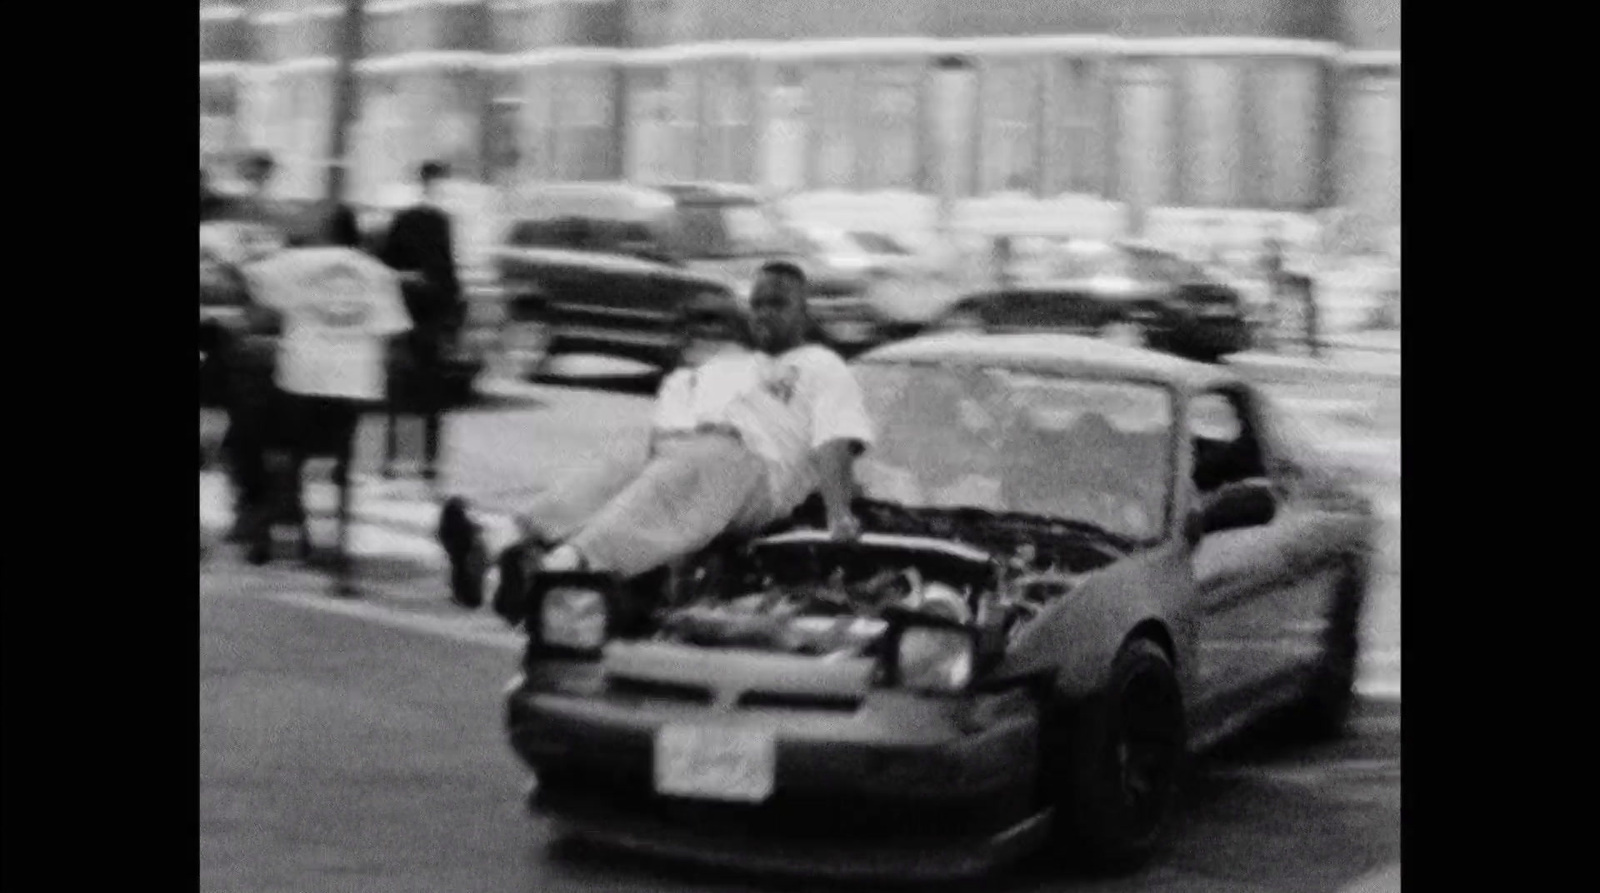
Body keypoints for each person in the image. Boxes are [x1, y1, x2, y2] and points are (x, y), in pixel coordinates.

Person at [438, 262, 874, 617]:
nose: (764, 313)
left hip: (757, 472)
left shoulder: (825, 366)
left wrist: (840, 514)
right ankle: (493, 547)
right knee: (620, 463)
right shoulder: (745, 364)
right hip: (706, 449)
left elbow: (834, 443)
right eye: (757, 304)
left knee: (694, 471)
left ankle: (552, 573)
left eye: (778, 304)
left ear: (805, 312)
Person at [238, 242, 413, 589]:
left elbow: (252, 279)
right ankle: (342, 561)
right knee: (343, 471)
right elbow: (394, 332)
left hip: (302, 376)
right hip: (351, 384)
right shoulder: (375, 271)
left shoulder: (296, 261)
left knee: (288, 457)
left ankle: (278, 537)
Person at [378, 160, 463, 485]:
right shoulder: (422, 220)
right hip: (416, 314)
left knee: (413, 390)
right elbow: (445, 272)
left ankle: (407, 460)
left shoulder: (433, 220)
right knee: (414, 390)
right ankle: (413, 461)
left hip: (418, 315)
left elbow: (447, 271)